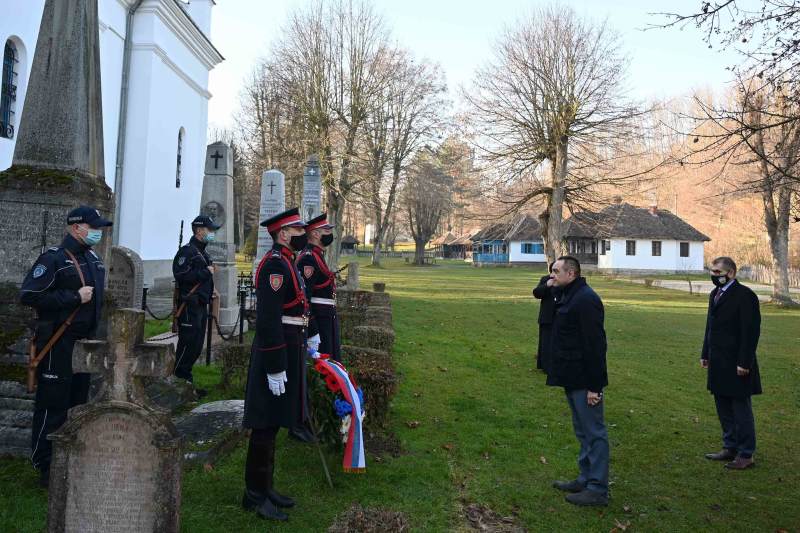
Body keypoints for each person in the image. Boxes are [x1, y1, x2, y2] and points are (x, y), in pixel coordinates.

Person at [20, 205, 112, 488]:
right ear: (76, 228)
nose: (98, 232)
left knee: (77, 403)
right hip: (59, 342)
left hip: (85, 345)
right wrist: (73, 297)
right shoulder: (54, 260)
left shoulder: (94, 260)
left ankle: (72, 459)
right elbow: (30, 295)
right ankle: (46, 466)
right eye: (93, 227)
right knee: (53, 404)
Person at [242, 207, 309, 522]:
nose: (302, 235)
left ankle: (266, 487)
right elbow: (268, 321)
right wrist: (275, 366)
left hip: (287, 347)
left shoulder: (287, 261)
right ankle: (254, 496)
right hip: (275, 350)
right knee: (264, 424)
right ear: (283, 233)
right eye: (297, 230)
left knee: (273, 424)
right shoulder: (274, 266)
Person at [547, 256, 609, 507]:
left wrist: (595, 387)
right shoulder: (568, 295)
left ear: (571, 273)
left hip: (585, 380)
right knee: (582, 431)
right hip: (572, 377)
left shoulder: (585, 300)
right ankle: (585, 478)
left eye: (556, 271)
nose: (552, 276)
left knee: (594, 433)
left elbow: (595, 346)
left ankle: (597, 488)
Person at [701, 256, 762, 470]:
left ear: (731, 273)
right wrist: (705, 353)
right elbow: (710, 326)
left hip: (737, 363)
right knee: (723, 406)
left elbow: (750, 332)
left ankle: (746, 454)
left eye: (718, 272)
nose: (714, 276)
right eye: (712, 271)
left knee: (740, 409)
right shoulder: (714, 294)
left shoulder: (745, 296)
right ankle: (730, 447)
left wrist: (744, 362)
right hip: (718, 362)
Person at [172, 215, 220, 389]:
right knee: (187, 345)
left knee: (197, 346)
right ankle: (178, 383)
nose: (212, 233)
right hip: (189, 306)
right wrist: (204, 273)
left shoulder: (203, 253)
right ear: (200, 231)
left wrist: (210, 291)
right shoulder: (187, 251)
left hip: (200, 305)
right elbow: (181, 275)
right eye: (210, 230)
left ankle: (187, 385)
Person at [297, 213, 340, 362]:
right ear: (315, 234)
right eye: (326, 230)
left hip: (326, 318)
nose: (330, 234)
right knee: (322, 363)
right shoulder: (308, 258)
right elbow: (304, 297)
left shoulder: (317, 254)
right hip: (319, 321)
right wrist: (313, 330)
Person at [532, 262, 556, 373]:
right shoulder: (545, 279)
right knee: (545, 342)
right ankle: (545, 365)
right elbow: (537, 293)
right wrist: (547, 285)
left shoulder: (564, 282)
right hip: (546, 316)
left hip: (560, 316)